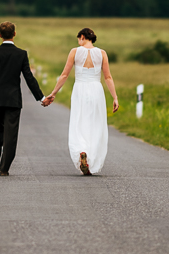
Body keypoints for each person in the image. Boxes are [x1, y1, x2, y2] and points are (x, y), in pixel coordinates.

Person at [0, 21, 50, 176]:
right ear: (14, 34)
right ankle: (4, 168)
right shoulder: (21, 54)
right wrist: (41, 97)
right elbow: (29, 78)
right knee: (10, 133)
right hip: (13, 100)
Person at [45, 27, 118, 176]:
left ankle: (82, 150)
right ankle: (90, 159)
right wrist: (115, 97)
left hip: (80, 89)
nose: (78, 42)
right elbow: (108, 77)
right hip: (96, 90)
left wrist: (53, 93)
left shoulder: (75, 52)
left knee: (79, 122)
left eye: (79, 39)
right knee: (95, 124)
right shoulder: (102, 53)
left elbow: (64, 75)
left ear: (82, 37)